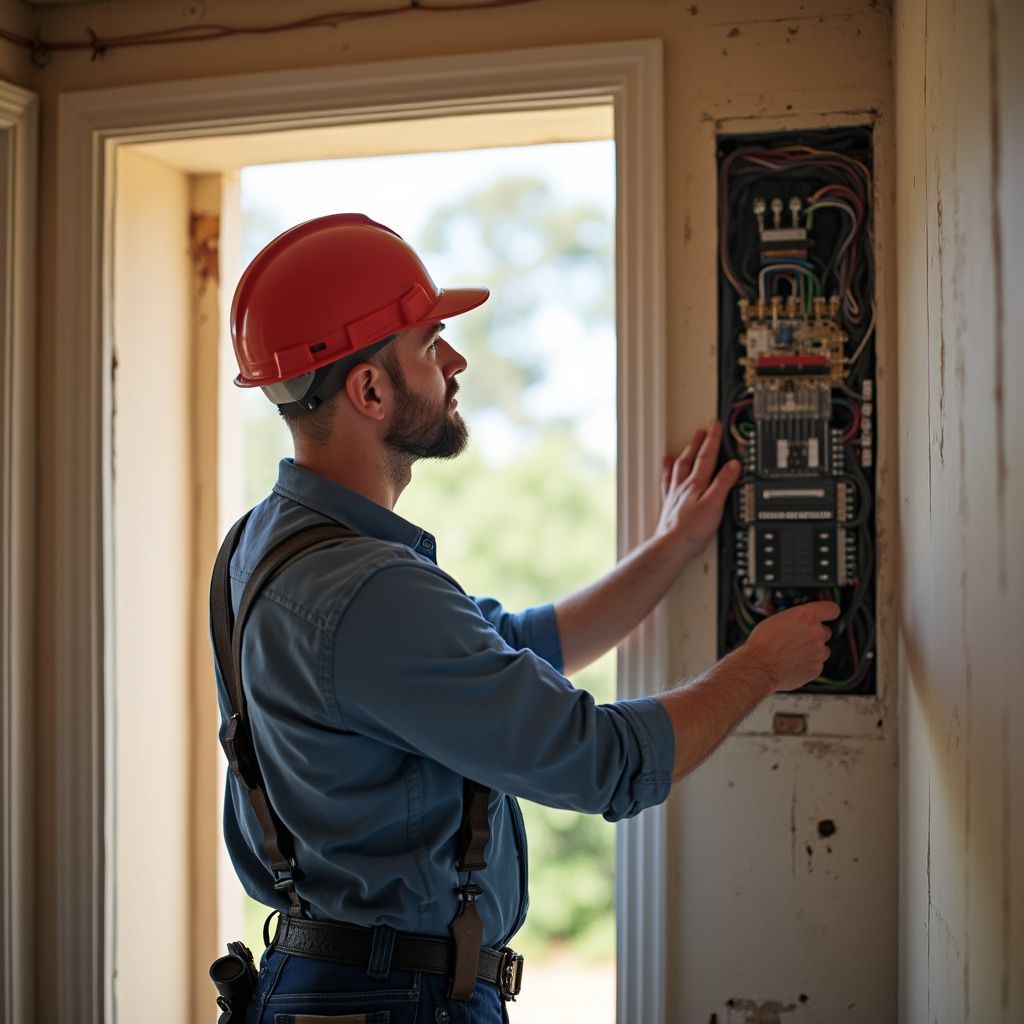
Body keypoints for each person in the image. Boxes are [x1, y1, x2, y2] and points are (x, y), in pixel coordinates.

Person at [213, 213, 839, 1024]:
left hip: (333, 983)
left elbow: (512, 649)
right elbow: (600, 763)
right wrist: (760, 667)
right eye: (432, 342)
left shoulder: (263, 546)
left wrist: (673, 546)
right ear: (369, 390)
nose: (457, 360)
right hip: (394, 1000)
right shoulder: (368, 593)